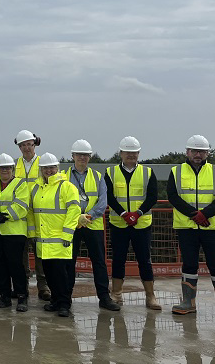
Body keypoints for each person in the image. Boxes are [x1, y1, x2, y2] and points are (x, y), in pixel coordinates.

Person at [168, 135, 215, 320]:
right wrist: (194, 215)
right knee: (189, 264)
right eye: (194, 151)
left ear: (207, 153)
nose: (198, 154)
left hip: (212, 226)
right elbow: (173, 197)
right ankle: (188, 303)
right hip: (187, 227)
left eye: (201, 151)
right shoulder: (176, 171)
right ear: (187, 152)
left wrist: (204, 215)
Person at [105, 136, 161, 311]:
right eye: (127, 152)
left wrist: (138, 213)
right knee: (118, 259)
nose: (131, 155)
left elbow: (152, 197)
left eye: (134, 152)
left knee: (144, 260)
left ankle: (150, 296)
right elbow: (109, 196)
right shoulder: (110, 172)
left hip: (141, 223)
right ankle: (116, 294)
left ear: (138, 153)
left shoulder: (148, 172)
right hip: (119, 223)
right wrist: (123, 213)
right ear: (120, 153)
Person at [65, 139, 120, 311]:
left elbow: (103, 203)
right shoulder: (63, 177)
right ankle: (65, 298)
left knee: (99, 263)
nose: (82, 157)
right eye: (79, 154)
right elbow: (61, 201)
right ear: (72, 156)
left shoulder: (98, 177)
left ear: (90, 157)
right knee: (68, 262)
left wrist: (87, 217)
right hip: (72, 226)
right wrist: (76, 218)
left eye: (85, 155)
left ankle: (104, 297)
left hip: (93, 225)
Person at [30, 153, 81, 317]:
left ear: (57, 168)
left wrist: (67, 234)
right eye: (45, 168)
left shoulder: (67, 187)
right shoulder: (36, 188)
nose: (48, 171)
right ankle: (55, 301)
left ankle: (64, 303)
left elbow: (74, 211)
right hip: (43, 241)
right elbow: (32, 213)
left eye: (52, 167)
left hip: (60, 241)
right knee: (49, 274)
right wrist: (33, 234)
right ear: (41, 169)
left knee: (61, 275)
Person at [0, 153, 31, 313]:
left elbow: (22, 205)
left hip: (14, 232)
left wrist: (3, 216)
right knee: (0, 265)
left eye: (8, 168)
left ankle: (22, 296)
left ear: (12, 169)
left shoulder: (20, 184)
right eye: (2, 168)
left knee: (16, 265)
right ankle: (4, 296)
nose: (5, 170)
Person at [13, 129, 50, 301]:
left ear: (34, 144)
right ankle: (23, 286)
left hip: (39, 214)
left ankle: (43, 287)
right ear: (19, 147)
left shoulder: (43, 163)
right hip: (21, 215)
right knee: (21, 254)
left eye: (29, 144)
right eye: (23, 145)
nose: (27, 148)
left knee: (40, 252)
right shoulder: (15, 165)